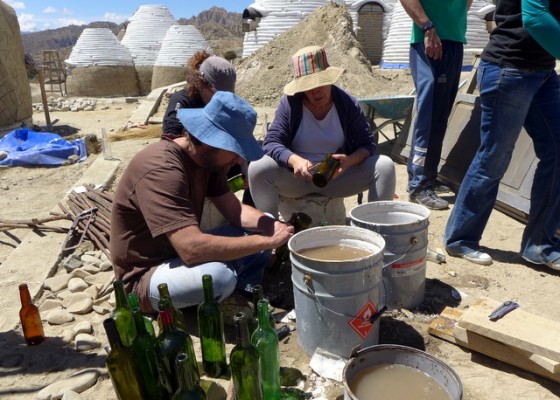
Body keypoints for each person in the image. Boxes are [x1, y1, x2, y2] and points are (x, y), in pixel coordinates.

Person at [110, 91, 294, 313]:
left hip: (179, 256)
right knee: (218, 277)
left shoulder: (208, 161)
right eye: (234, 150)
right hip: (145, 278)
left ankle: (236, 294)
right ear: (209, 141)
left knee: (267, 222)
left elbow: (234, 210)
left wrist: (271, 228)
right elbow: (191, 249)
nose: (238, 159)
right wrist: (267, 242)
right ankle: (221, 295)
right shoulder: (162, 169)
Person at [444, 0, 560, 268]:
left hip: (542, 71)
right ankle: (460, 239)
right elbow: (535, 16)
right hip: (509, 68)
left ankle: (539, 245)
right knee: (494, 156)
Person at [248, 45, 396, 218]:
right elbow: (271, 143)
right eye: (308, 86)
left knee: (384, 166)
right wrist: (294, 160)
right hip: (297, 180)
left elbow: (367, 144)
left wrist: (349, 161)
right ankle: (270, 235)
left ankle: (378, 231)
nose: (315, 91)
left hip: (336, 179)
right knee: (257, 167)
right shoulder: (290, 104)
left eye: (320, 83)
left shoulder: (346, 103)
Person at [401, 0, 472, 210]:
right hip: (430, 38)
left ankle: (428, 178)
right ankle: (418, 185)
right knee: (428, 113)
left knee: (440, 114)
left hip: (454, 40)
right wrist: (427, 26)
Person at [162, 50, 253, 205]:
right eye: (217, 94)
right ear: (202, 83)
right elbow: (172, 143)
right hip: (196, 163)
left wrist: (245, 169)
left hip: (221, 162)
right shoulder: (182, 102)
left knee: (256, 165)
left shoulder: (224, 103)